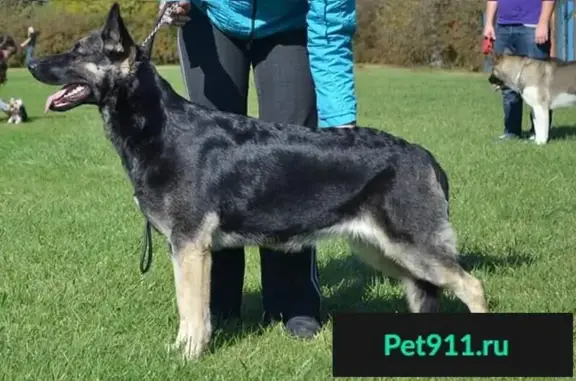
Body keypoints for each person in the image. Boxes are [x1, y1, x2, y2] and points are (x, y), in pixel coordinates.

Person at [161, 0, 357, 338]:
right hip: (212, 17)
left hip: (289, 23)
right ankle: (216, 304)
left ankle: (293, 301)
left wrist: (341, 118)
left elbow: (330, 24)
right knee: (208, 167)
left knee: (292, 168)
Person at [483, 0, 555, 141]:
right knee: (507, 83)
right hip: (503, 27)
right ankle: (512, 131)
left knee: (538, 84)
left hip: (532, 25)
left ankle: (539, 134)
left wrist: (543, 22)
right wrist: (489, 23)